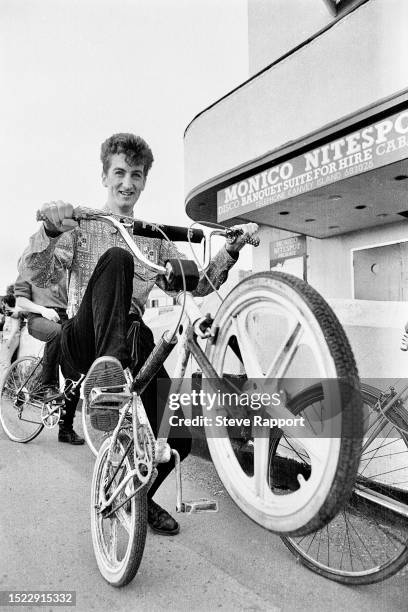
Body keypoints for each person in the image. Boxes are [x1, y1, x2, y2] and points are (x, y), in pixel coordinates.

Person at [18, 132, 259, 535]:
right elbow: (38, 273)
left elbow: (196, 285)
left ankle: (142, 500)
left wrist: (229, 251)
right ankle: (108, 371)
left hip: (132, 342)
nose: (127, 183)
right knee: (116, 259)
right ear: (104, 177)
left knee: (177, 436)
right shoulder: (81, 226)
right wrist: (49, 228)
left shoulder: (153, 237)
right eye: (119, 173)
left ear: (145, 180)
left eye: (136, 174)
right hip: (84, 339)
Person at [14, 262, 84, 445]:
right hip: (37, 317)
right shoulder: (31, 265)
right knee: (56, 332)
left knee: (74, 378)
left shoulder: (63, 268)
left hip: (62, 318)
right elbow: (20, 301)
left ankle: (66, 430)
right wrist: (43, 310)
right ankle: (48, 387)